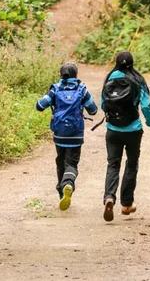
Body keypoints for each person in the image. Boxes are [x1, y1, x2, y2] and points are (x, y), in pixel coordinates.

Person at [100, 50, 150, 221]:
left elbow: (104, 104)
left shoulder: (110, 78)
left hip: (113, 129)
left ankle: (109, 197)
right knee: (131, 165)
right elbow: (146, 106)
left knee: (113, 164)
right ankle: (126, 204)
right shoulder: (138, 80)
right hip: (133, 130)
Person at [36, 61, 98, 210]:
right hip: (76, 135)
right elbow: (93, 110)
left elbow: (39, 106)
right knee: (72, 163)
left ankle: (61, 192)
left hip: (60, 134)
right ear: (76, 75)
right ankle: (68, 184)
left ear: (61, 74)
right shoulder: (82, 89)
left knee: (60, 161)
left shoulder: (55, 89)